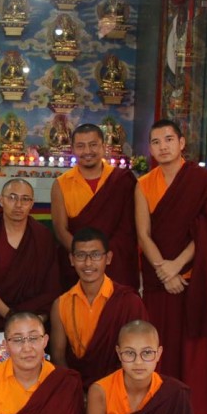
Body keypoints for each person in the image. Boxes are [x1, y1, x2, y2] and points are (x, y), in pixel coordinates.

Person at [135, 120, 207, 414]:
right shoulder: (144, 184)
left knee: (194, 346)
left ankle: (195, 408)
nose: (162, 146)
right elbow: (143, 234)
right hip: (158, 279)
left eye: (168, 139)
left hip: (193, 276)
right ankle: (160, 408)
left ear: (181, 143)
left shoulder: (201, 181)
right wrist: (164, 272)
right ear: (150, 148)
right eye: (155, 142)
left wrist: (176, 266)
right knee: (160, 342)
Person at [50, 227, 147, 390]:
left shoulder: (129, 301)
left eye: (95, 255)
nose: (88, 263)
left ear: (108, 258)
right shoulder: (61, 304)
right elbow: (58, 357)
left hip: (120, 389)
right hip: (77, 391)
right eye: (81, 256)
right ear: (71, 259)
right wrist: (75, 393)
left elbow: (140, 353)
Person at [51, 123, 138, 291]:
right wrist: (83, 256)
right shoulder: (61, 184)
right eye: (81, 146)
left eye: (93, 145)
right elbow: (61, 230)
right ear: (73, 149)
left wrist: (102, 257)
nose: (87, 151)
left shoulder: (121, 180)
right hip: (78, 267)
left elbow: (128, 229)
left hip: (115, 261)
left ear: (104, 147)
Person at [0, 179, 59, 332]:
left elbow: (51, 287)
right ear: (1, 200)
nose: (19, 205)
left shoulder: (43, 237)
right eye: (12, 197)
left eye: (25, 199)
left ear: (32, 203)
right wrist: (11, 316)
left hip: (34, 316)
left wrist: (38, 318)